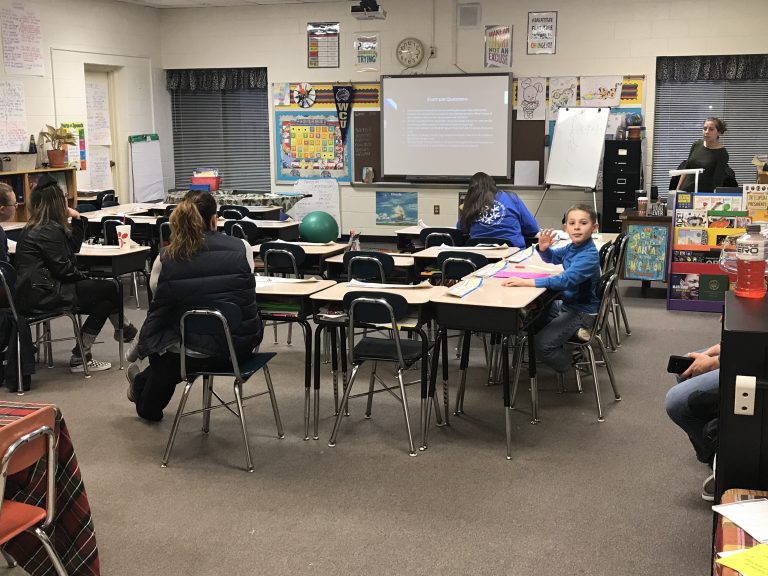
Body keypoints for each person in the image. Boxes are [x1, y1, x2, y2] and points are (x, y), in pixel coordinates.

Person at [126, 191, 262, 422]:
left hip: (186, 356)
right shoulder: (243, 248)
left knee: (165, 354)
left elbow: (160, 307)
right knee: (180, 349)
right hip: (238, 350)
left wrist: (136, 350)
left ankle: (142, 393)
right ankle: (140, 383)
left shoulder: (166, 258)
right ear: (214, 219)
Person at [14, 177, 137, 373]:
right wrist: (86, 279)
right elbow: (64, 270)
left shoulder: (43, 226)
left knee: (106, 302)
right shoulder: (47, 230)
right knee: (111, 287)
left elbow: (73, 248)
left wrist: (77, 218)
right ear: (58, 203)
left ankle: (81, 356)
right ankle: (125, 330)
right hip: (44, 294)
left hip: (42, 289)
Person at [501, 204, 600, 374]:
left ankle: (572, 364)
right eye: (572, 223)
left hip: (581, 312)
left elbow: (564, 280)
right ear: (566, 227)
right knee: (532, 318)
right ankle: (562, 338)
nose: (577, 227)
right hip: (568, 305)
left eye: (583, 223)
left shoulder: (588, 256)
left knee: (542, 346)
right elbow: (553, 258)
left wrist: (526, 282)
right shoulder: (573, 247)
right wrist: (544, 249)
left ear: (594, 228)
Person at [665, 344, 720, 501]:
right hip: (747, 347)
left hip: (754, 363)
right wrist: (718, 349)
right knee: (686, 366)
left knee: (676, 402)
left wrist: (714, 362)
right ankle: (713, 452)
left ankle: (723, 465)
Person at [458, 171, 539, 249]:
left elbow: (461, 229)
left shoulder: (471, 203)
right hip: (512, 253)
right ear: (493, 185)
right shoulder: (511, 198)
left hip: (479, 254)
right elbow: (532, 228)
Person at [677, 118, 729, 192]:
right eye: (705, 129)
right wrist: (678, 189)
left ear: (719, 132)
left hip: (704, 194)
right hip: (685, 191)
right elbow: (686, 168)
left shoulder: (722, 153)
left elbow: (717, 181)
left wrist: (714, 196)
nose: (706, 132)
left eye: (711, 129)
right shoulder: (696, 144)